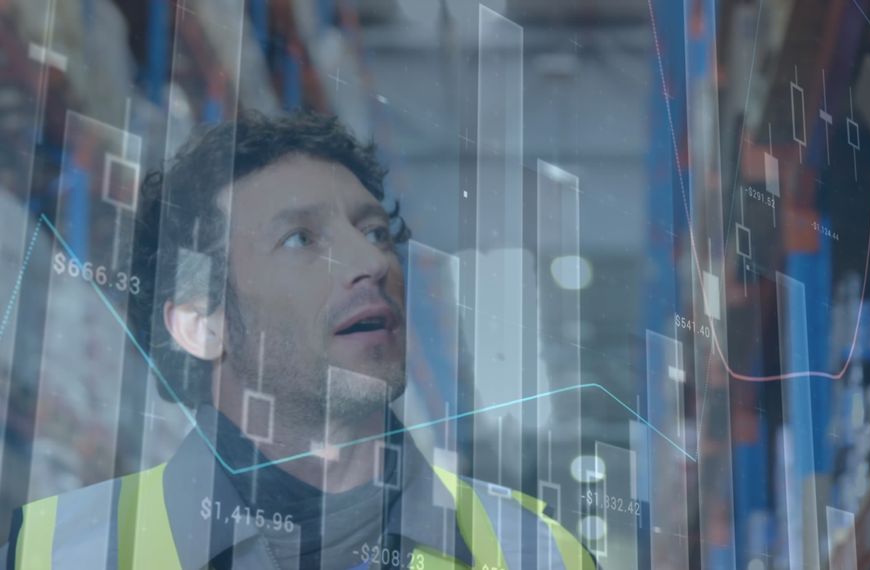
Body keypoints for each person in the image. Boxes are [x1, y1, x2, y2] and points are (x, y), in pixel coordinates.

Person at [3, 112, 595, 569]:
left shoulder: (538, 553)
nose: (371, 260)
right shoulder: (53, 553)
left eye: (376, 232)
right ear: (201, 324)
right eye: (300, 240)